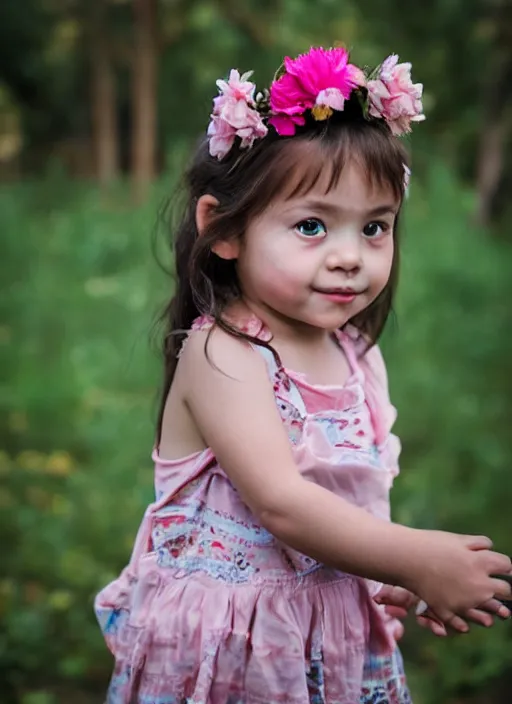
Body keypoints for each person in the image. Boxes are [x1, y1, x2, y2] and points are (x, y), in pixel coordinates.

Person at [95, 47, 512, 704]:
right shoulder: (223, 355)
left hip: (328, 644)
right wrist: (415, 555)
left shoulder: (356, 357)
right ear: (223, 230)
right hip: (236, 654)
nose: (350, 257)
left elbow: (354, 504)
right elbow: (284, 504)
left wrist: (382, 574)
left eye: (375, 226)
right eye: (312, 225)